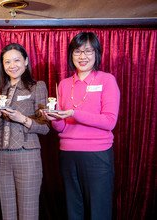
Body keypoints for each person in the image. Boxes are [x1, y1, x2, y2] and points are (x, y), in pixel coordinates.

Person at [42, 32, 120, 220]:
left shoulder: (106, 80)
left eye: (88, 51)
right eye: (77, 51)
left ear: (97, 54)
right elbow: (61, 128)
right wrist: (54, 117)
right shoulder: (64, 84)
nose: (82, 56)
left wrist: (74, 113)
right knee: (73, 209)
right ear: (71, 55)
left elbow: (110, 121)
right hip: (68, 154)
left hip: (97, 155)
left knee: (98, 210)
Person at [0, 43, 50, 220]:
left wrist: (22, 118)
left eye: (17, 60)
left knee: (28, 212)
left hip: (27, 154)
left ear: (26, 61)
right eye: (7, 62)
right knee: (7, 213)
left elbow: (45, 127)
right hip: (1, 156)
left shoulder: (37, 87)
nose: (12, 65)